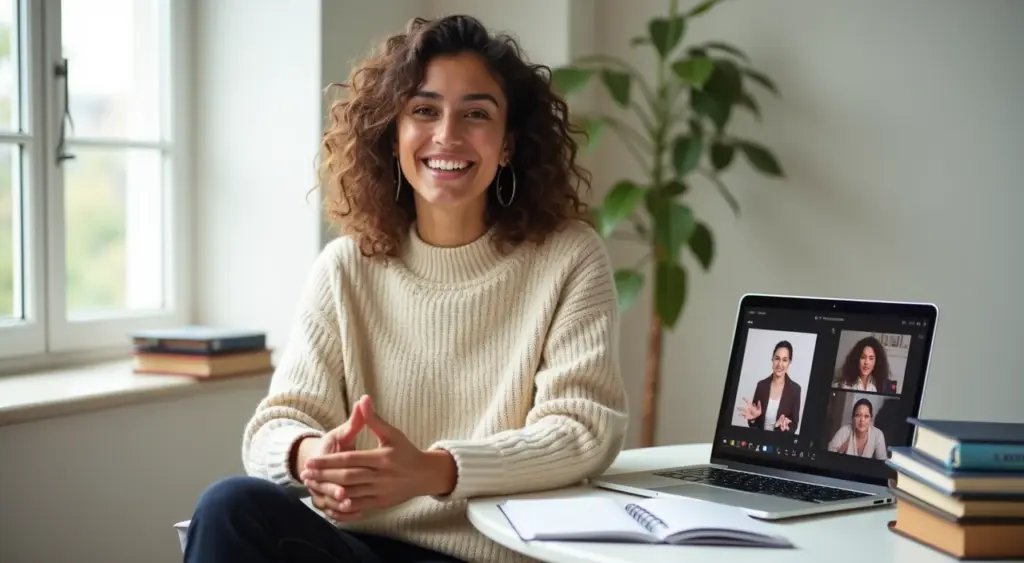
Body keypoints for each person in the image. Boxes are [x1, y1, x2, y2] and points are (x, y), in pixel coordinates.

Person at [182, 14, 629, 563]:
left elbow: (582, 428)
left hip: (495, 553)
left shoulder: (568, 257)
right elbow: (276, 423)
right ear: (394, 138)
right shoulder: (345, 268)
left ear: (508, 145)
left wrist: (436, 470)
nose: (447, 134)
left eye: (476, 114)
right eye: (423, 110)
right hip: (364, 548)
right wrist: (310, 457)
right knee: (230, 505)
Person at [736, 341, 802, 433]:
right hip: (759, 442)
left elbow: (794, 424)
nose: (779, 364)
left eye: (784, 360)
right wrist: (753, 419)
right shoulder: (761, 385)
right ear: (772, 359)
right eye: (777, 358)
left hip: (780, 444)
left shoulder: (795, 389)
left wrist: (783, 427)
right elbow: (754, 424)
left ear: (789, 362)